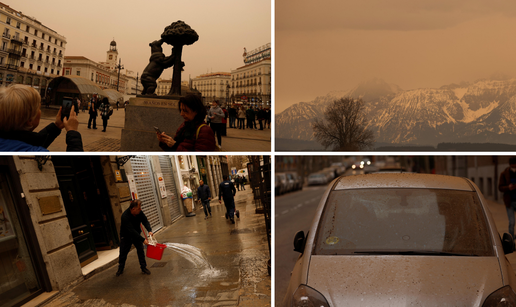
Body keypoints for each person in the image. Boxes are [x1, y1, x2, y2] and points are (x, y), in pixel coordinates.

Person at [0, 84, 83, 151]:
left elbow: (32, 141)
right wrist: (72, 132)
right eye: (39, 108)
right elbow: (76, 164)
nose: (40, 111)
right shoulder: (39, 154)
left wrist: (56, 127)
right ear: (30, 120)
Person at [116, 199, 153, 276]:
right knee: (123, 253)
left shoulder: (139, 213)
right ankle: (120, 268)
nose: (141, 209)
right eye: (139, 208)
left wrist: (149, 230)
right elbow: (131, 231)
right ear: (133, 209)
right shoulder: (125, 216)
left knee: (140, 251)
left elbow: (145, 221)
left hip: (136, 235)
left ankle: (143, 267)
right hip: (126, 236)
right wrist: (143, 240)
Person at [499, 157, 516, 239]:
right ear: (510, 165)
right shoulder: (504, 173)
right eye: (513, 166)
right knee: (512, 222)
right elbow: (500, 187)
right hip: (509, 202)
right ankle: (511, 238)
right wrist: (508, 187)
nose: (514, 168)